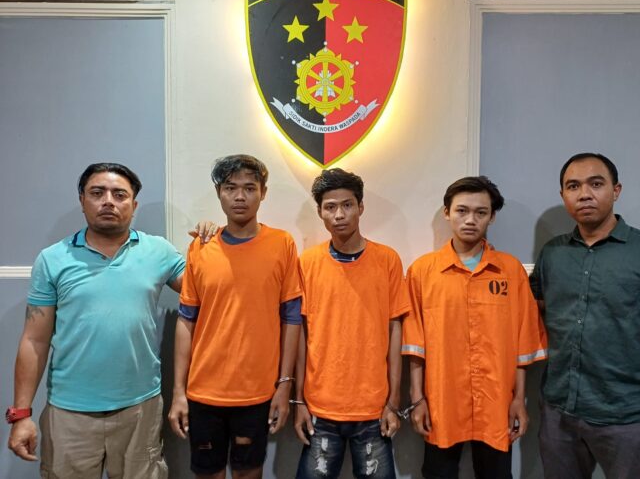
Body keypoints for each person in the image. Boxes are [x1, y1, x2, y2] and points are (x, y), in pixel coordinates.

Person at [6, 162, 185, 478]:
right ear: (82, 200)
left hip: (139, 409)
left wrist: (216, 239)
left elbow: (207, 289)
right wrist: (21, 414)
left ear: (134, 205)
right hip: (70, 413)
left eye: (120, 195)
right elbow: (34, 340)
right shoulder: (53, 259)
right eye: (97, 193)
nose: (108, 202)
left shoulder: (159, 251)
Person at [530, 152, 640, 479]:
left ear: (616, 190)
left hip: (628, 419)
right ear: (563, 195)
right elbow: (531, 313)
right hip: (559, 413)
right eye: (573, 186)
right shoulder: (553, 254)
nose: (584, 194)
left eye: (596, 184)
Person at [402, 176, 547, 479]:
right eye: (462, 211)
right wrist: (417, 399)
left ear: (491, 217)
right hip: (441, 401)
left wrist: (519, 399)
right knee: (438, 474)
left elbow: (522, 343)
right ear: (447, 213)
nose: (470, 220)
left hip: (497, 403)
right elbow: (415, 345)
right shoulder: (422, 272)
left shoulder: (510, 271)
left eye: (481, 212)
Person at [168, 154, 303, 479]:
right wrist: (178, 392)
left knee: (249, 473)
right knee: (207, 473)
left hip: (257, 392)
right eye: (230, 188)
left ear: (263, 193)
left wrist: (285, 386)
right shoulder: (201, 247)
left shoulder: (281, 244)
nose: (240, 196)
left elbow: (292, 318)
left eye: (249, 188)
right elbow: (186, 320)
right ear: (219, 193)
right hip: (203, 391)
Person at [293, 168, 409, 479]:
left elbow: (395, 330)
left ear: (361, 207)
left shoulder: (387, 260)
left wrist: (393, 401)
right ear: (320, 212)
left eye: (347, 205)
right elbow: (301, 335)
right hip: (320, 407)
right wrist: (299, 400)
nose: (339, 215)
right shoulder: (307, 263)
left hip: (373, 408)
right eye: (330, 207)